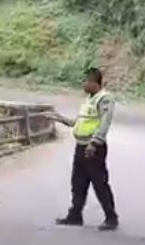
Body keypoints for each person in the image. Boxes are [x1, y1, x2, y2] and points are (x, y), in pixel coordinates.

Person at [45, 67, 119, 231]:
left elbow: (104, 122)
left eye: (86, 81)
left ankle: (111, 217)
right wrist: (58, 118)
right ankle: (75, 215)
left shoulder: (104, 99)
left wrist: (94, 143)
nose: (83, 85)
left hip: (94, 148)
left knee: (99, 183)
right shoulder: (88, 100)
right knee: (78, 183)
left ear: (94, 82)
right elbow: (76, 123)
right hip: (81, 146)